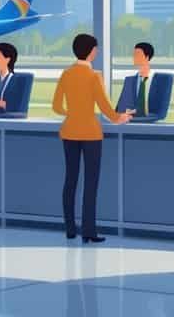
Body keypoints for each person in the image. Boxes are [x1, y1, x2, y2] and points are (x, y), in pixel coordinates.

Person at [51, 33, 129, 243]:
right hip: (91, 134)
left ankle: (69, 229)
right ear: (91, 51)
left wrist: (72, 113)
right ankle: (88, 231)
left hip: (69, 132)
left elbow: (56, 106)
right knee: (90, 183)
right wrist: (120, 117)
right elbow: (105, 107)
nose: (97, 51)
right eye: (95, 48)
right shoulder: (94, 76)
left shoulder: (66, 74)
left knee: (70, 180)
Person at [115, 42, 174, 123]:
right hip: (129, 121)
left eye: (137, 55)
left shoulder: (162, 80)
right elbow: (121, 109)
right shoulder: (130, 80)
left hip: (150, 120)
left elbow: (161, 112)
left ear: (147, 57)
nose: (134, 57)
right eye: (134, 55)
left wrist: (136, 112)